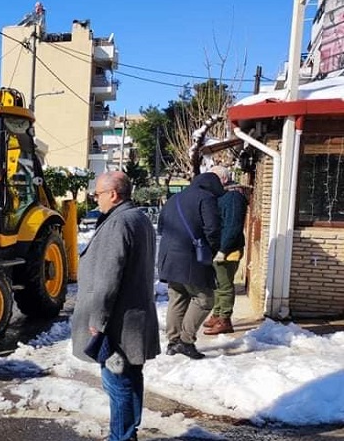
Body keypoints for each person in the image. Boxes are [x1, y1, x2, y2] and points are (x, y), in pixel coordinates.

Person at [72, 171, 160, 441]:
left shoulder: (118, 223)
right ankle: (128, 432)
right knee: (130, 379)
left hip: (117, 325)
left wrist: (97, 322)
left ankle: (121, 437)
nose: (95, 199)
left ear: (113, 194)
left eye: (97, 194)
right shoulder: (138, 218)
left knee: (118, 382)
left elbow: (108, 279)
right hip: (132, 320)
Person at [157, 172, 224, 359]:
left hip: (168, 257)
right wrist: (211, 250)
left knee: (177, 298)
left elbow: (160, 227)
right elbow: (213, 229)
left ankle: (172, 341)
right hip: (191, 257)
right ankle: (185, 341)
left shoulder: (174, 199)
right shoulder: (206, 198)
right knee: (205, 299)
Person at [203, 166, 249, 335]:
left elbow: (233, 226)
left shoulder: (233, 197)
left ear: (222, 179)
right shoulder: (224, 195)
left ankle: (225, 319)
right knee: (218, 284)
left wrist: (223, 249)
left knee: (225, 285)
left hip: (228, 250)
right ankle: (217, 314)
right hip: (221, 248)